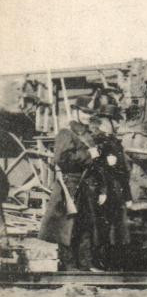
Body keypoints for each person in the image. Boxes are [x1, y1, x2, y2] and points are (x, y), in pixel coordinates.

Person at [39, 95, 103, 270]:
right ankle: (69, 266)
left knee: (86, 226)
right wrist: (89, 155)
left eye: (90, 113)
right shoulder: (66, 133)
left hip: (87, 185)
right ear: (75, 111)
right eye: (85, 112)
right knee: (68, 227)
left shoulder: (87, 134)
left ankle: (85, 265)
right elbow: (62, 159)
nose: (88, 116)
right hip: (71, 185)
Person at [89, 102, 133, 269]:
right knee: (103, 226)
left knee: (117, 227)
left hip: (116, 190)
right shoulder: (97, 141)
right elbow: (94, 168)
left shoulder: (114, 142)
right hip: (105, 189)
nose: (118, 124)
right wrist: (102, 191)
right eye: (115, 120)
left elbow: (123, 172)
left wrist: (127, 196)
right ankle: (99, 261)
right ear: (105, 122)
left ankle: (114, 263)